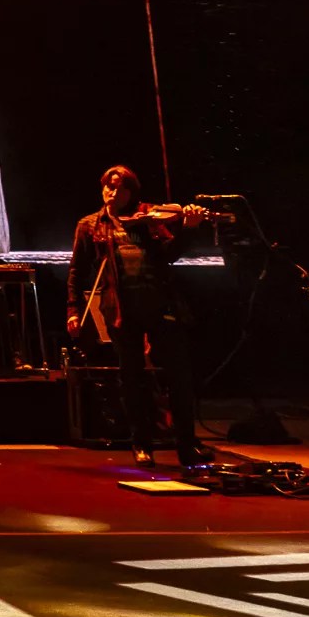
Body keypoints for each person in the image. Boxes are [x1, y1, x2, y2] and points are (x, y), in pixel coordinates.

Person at [67, 165, 211, 467]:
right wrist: (73, 311)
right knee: (132, 378)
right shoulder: (90, 225)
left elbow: (171, 254)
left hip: (161, 305)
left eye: (119, 187)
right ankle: (141, 443)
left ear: (131, 192)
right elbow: (77, 272)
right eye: (108, 186)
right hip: (120, 309)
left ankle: (187, 444)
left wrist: (189, 227)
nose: (112, 192)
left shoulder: (149, 220)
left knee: (179, 377)